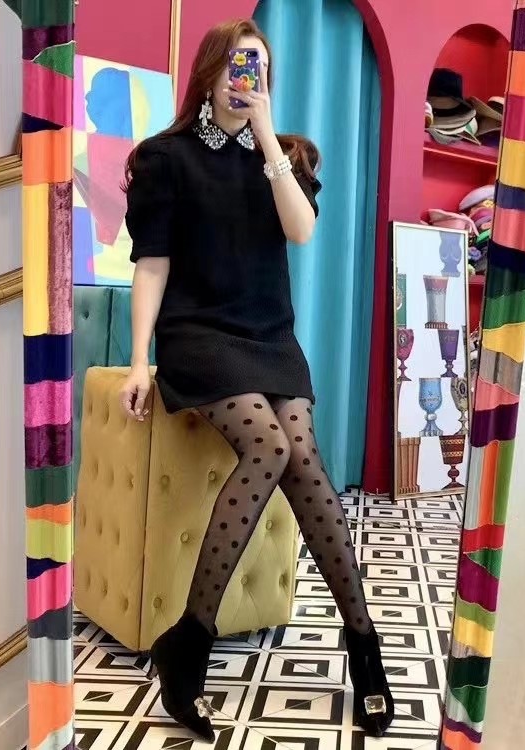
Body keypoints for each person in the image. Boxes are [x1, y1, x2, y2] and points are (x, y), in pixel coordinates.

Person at [120, 18, 393, 742]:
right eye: (240, 65)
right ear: (211, 70)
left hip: (270, 338)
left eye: (261, 68)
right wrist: (141, 358)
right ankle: (194, 639)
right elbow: (152, 265)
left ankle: (362, 643)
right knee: (271, 446)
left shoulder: (288, 154)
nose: (249, 78)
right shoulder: (166, 159)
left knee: (303, 456)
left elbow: (301, 231)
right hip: (200, 335)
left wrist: (268, 136)